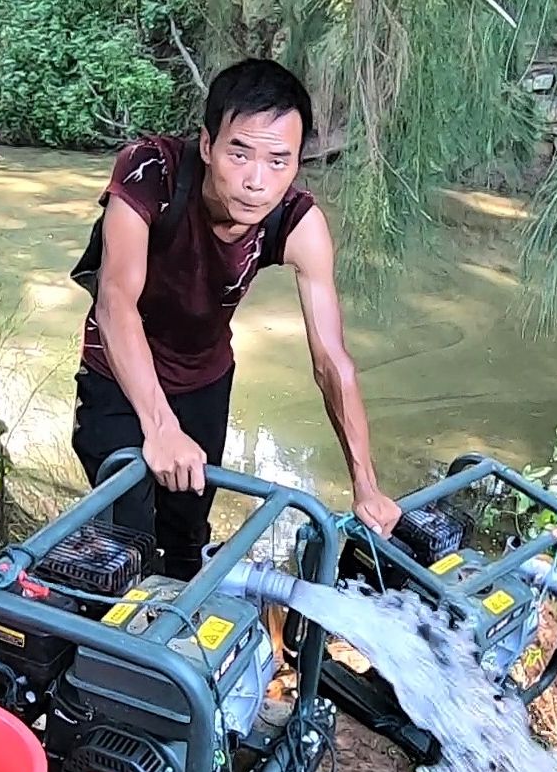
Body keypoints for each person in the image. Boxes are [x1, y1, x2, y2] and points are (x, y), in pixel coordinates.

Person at [68, 57, 401, 580]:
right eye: (239, 152)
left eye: (278, 161)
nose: (256, 182)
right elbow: (115, 301)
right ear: (208, 146)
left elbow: (332, 362)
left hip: (204, 381)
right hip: (118, 375)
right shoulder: (151, 172)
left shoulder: (298, 222)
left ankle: (181, 643)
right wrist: (160, 427)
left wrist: (366, 485)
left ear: (295, 165)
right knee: (125, 536)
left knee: (187, 536)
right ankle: (107, 640)